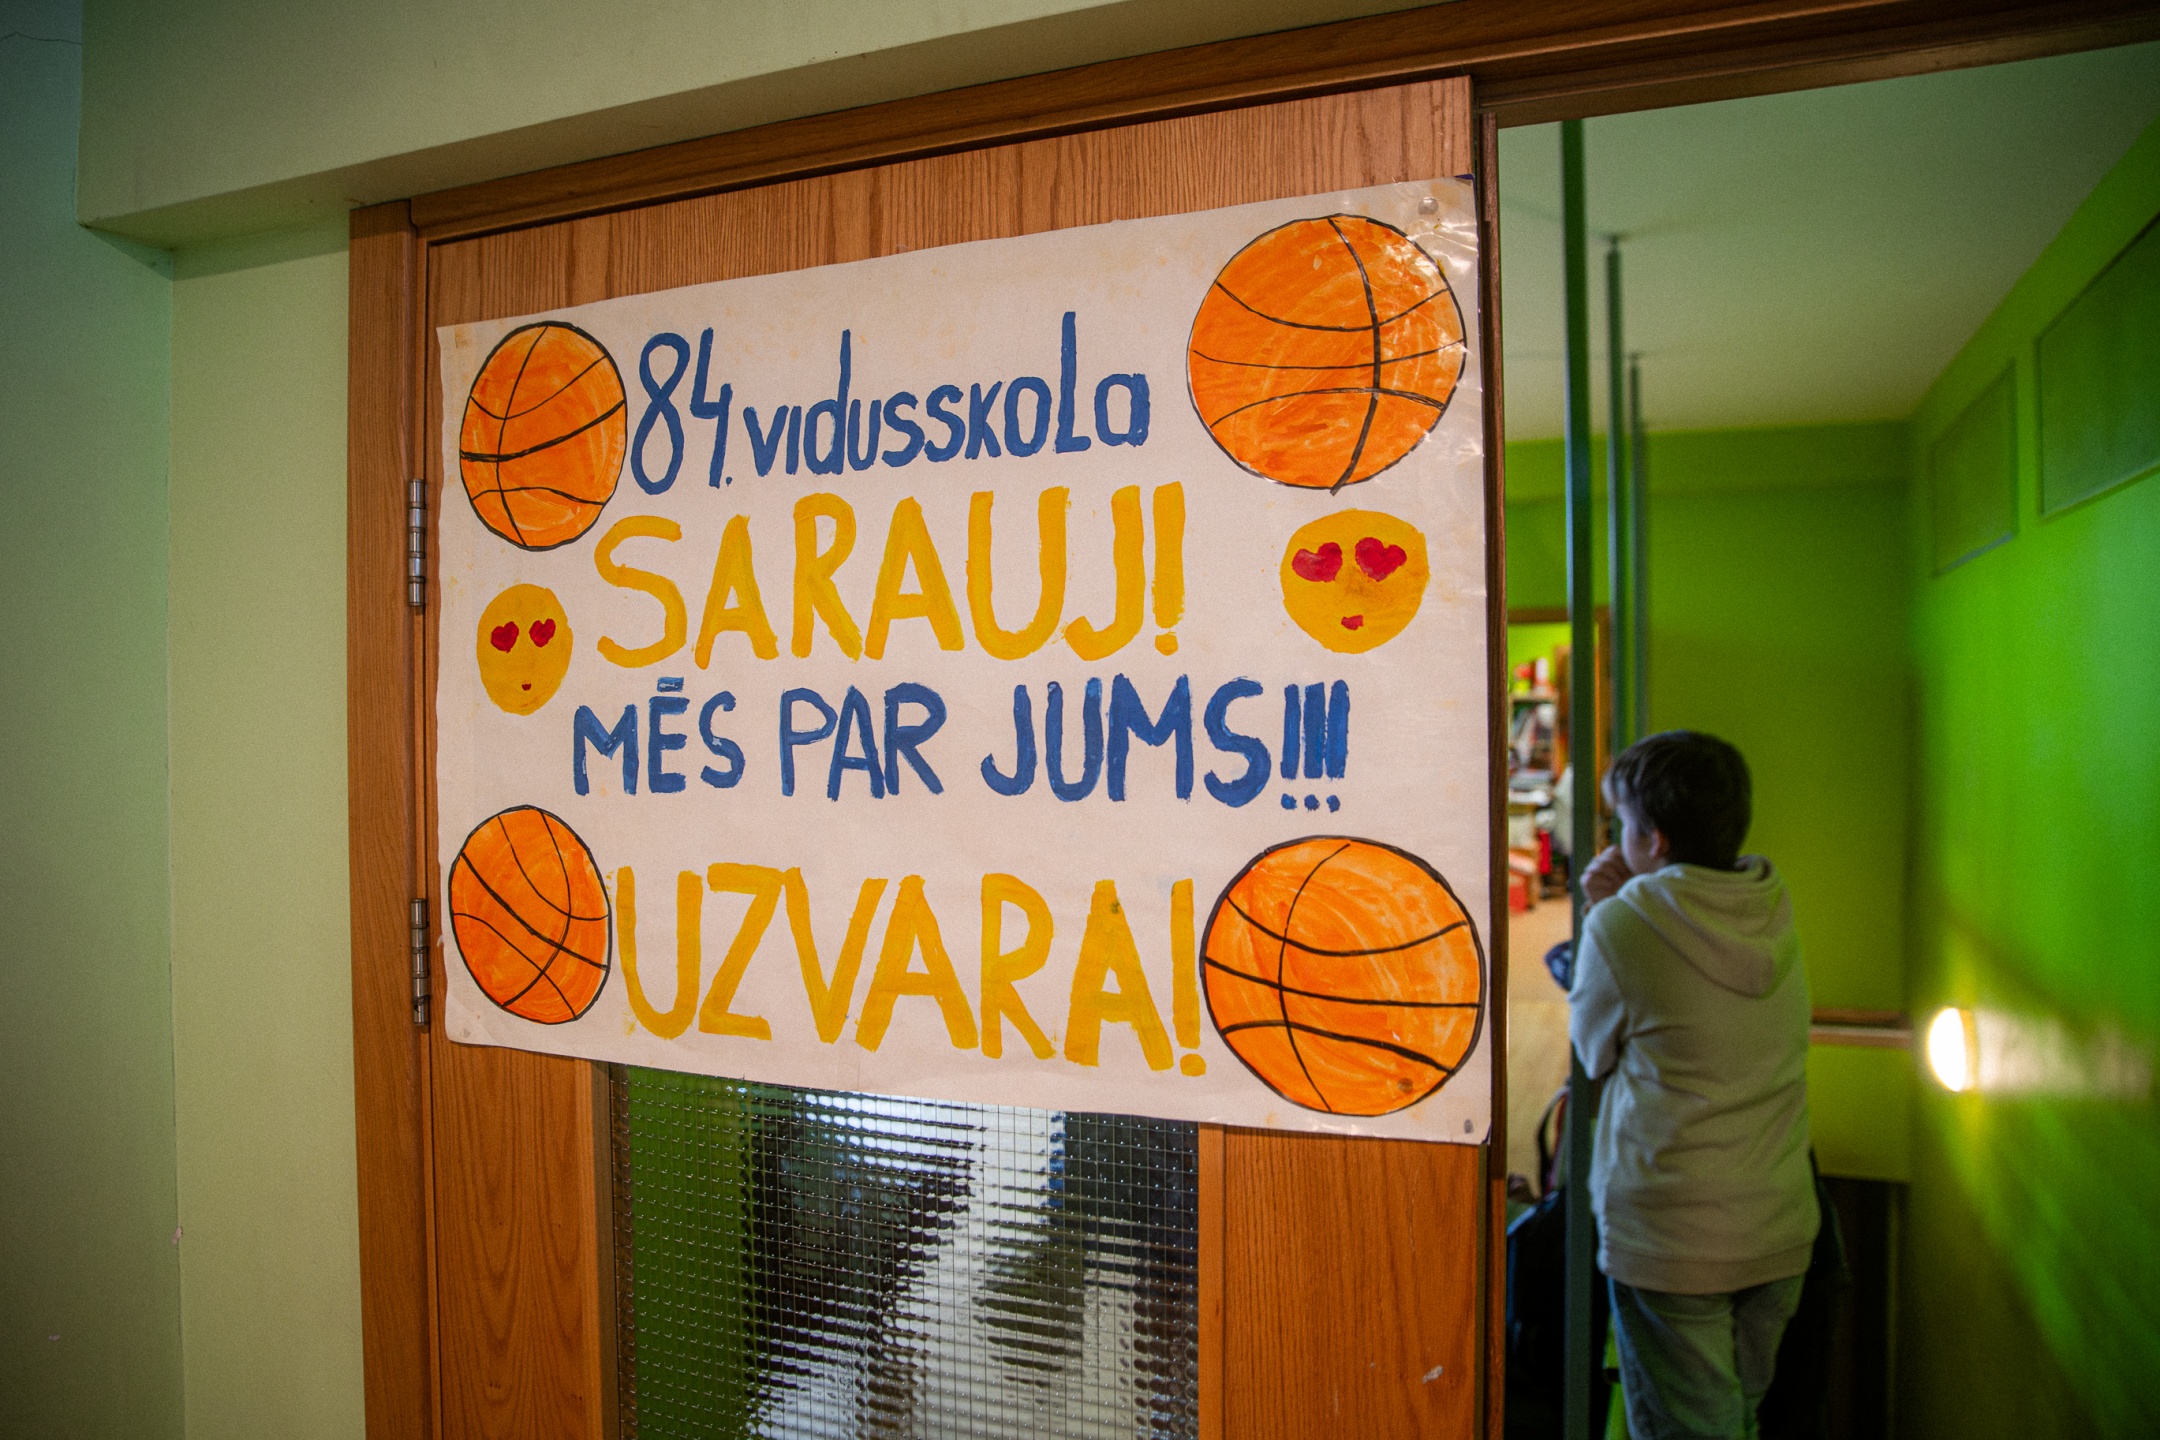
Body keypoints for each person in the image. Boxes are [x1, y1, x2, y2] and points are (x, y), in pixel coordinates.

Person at [1568, 730, 1817, 1440]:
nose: (1616, 841)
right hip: (1778, 1223)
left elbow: (1593, 1053)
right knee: (1737, 1419)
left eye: (1622, 825)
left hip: (1673, 1238)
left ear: (1655, 840)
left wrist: (1603, 911)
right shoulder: (1771, 902)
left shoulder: (1622, 922)